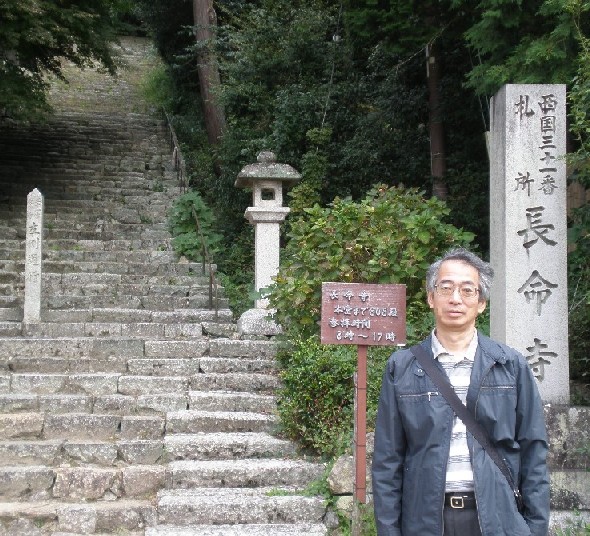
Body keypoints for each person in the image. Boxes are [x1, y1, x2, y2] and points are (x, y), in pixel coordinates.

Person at [372, 247, 549, 536]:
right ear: (431, 297)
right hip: (425, 521)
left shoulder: (510, 365)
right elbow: (387, 460)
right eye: (446, 288)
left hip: (498, 519)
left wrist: (536, 528)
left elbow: (533, 451)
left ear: (481, 303)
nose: (456, 298)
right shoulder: (402, 368)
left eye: (468, 290)